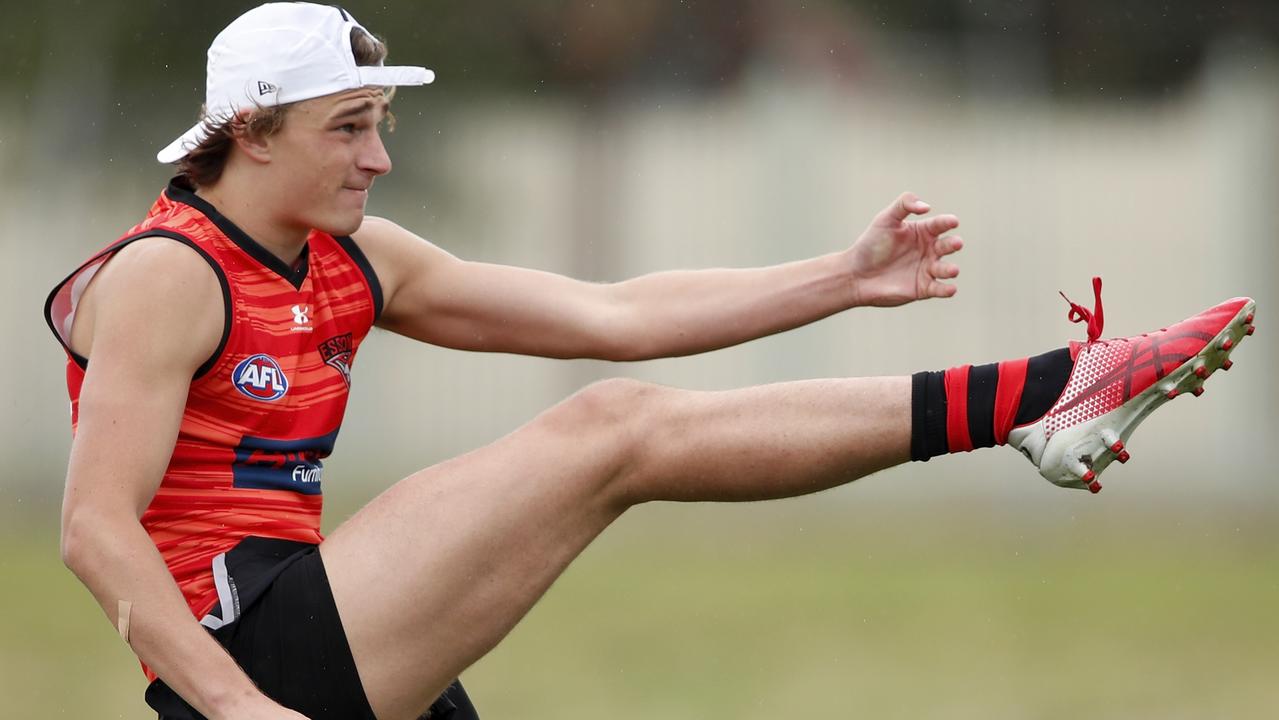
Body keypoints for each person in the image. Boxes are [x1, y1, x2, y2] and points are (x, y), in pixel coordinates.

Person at [43, 4, 1256, 720]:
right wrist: (240, 708)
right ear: (252, 135)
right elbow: (95, 529)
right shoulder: (169, 273)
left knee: (616, 405)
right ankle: (1045, 396)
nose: (378, 159)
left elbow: (612, 310)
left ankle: (1044, 403)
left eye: (382, 126)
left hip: (328, 627)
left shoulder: (353, 258)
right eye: (348, 129)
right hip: (253, 653)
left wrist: (840, 276)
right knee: (612, 429)